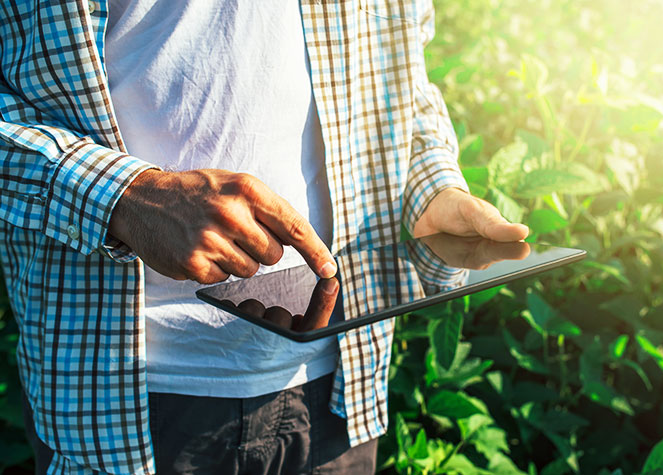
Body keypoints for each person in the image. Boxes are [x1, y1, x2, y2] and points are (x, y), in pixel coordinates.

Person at [0, 1, 528, 473]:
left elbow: (399, 74)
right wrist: (124, 197)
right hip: (128, 400)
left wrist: (430, 187)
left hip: (341, 385)